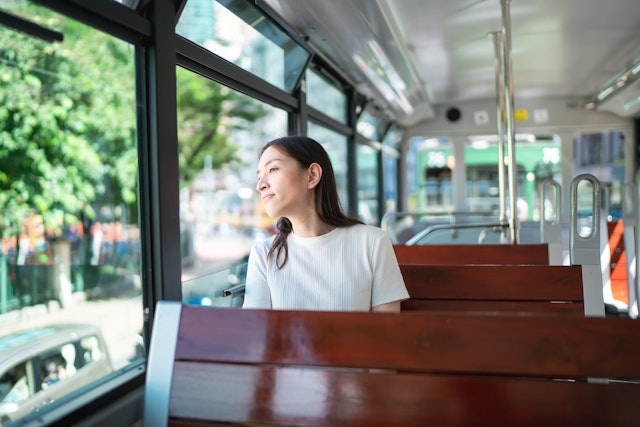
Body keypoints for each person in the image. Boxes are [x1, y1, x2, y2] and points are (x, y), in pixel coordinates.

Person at [243, 136, 409, 312]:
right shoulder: (264, 254)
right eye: (259, 176)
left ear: (312, 175)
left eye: (273, 169)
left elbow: (386, 332)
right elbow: (255, 332)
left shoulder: (372, 242)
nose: (260, 185)